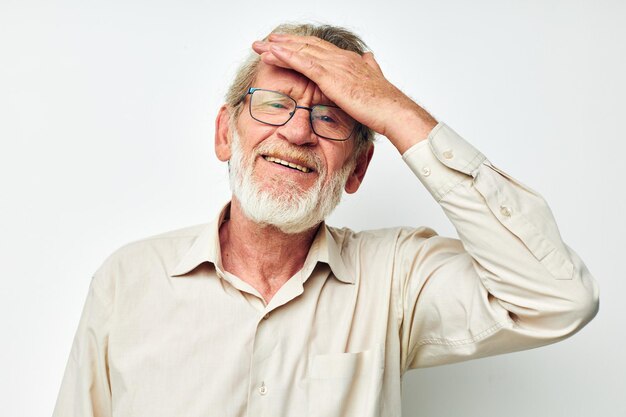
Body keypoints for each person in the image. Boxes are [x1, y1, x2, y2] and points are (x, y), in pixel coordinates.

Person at [52, 23, 599, 417]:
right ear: (225, 133)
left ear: (358, 167)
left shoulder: (396, 278)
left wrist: (395, 111)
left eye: (331, 116)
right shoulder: (128, 280)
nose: (296, 132)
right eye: (274, 104)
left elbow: (558, 298)